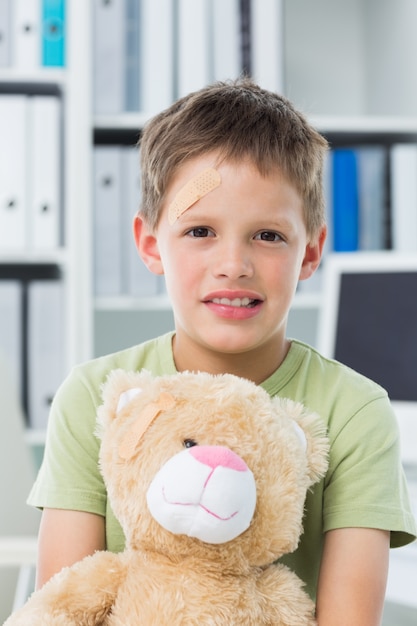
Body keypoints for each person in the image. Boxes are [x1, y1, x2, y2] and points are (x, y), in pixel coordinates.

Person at [29, 78, 416, 624]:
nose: (233, 264)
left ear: (311, 251)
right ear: (149, 244)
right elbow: (63, 605)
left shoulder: (354, 411)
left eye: (268, 236)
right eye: (201, 230)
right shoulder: (94, 396)